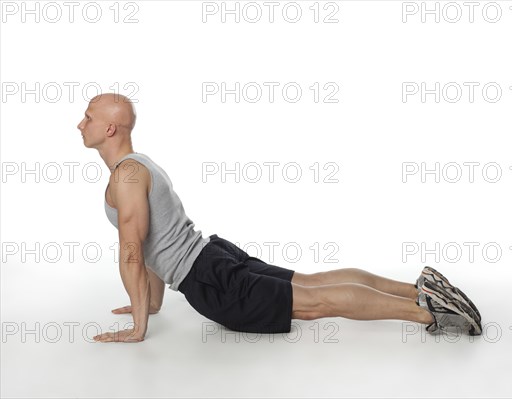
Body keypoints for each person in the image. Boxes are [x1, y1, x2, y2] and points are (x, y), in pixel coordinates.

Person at [77, 93, 482, 343]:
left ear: (110, 128)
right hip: (212, 256)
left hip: (208, 277)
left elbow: (132, 250)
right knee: (312, 282)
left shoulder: (126, 176)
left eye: (88, 117)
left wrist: (139, 326)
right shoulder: (138, 164)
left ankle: (430, 311)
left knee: (313, 302)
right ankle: (419, 288)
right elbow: (150, 248)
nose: (81, 123)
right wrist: (150, 305)